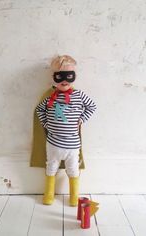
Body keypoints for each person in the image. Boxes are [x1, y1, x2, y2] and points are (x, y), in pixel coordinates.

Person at [36, 55, 96, 206]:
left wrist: (81, 119)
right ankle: (49, 194)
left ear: (74, 76)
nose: (64, 80)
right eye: (60, 76)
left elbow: (92, 107)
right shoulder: (50, 97)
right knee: (51, 168)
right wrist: (46, 124)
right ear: (53, 77)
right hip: (53, 143)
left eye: (69, 76)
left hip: (72, 145)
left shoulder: (79, 95)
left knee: (73, 170)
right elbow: (39, 110)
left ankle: (74, 196)